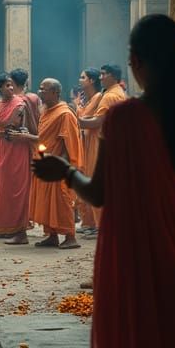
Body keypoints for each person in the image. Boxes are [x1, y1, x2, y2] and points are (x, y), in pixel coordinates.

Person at [33, 14, 175, 348]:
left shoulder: (124, 119)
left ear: (136, 61)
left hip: (136, 271)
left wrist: (65, 171)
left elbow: (98, 194)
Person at [11, 78, 82, 250]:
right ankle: (52, 235)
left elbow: (69, 142)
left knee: (61, 201)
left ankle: (70, 236)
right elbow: (44, 139)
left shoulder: (64, 114)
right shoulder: (46, 111)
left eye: (44, 89)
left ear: (55, 93)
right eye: (40, 88)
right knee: (46, 201)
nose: (40, 92)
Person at [77, 64, 127, 230]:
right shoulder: (118, 93)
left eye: (104, 74)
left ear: (112, 76)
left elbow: (98, 122)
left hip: (100, 144)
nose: (101, 77)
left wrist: (74, 120)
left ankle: (102, 226)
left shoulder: (109, 96)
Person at [0, 72, 31, 245]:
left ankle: (17, 227)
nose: (10, 88)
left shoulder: (20, 103)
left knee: (14, 186)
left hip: (15, 148)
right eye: (6, 85)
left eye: (12, 85)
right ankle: (2, 226)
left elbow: (24, 126)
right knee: (0, 187)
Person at [72, 68, 103, 237]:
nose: (80, 79)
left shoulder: (98, 97)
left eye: (83, 77)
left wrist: (76, 106)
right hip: (84, 142)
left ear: (91, 81)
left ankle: (96, 224)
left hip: (92, 142)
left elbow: (84, 118)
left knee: (90, 179)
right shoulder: (88, 98)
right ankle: (88, 222)